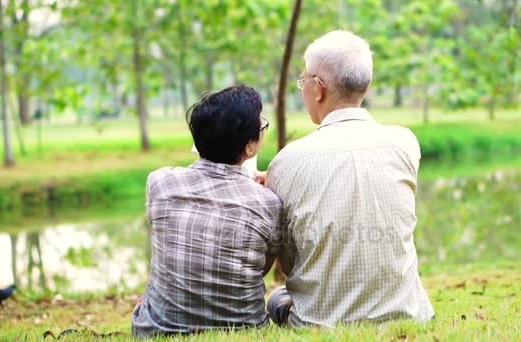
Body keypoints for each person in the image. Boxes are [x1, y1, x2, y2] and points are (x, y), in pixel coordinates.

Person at [264, 30, 435, 327]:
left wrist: (277, 180)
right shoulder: (405, 143)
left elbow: (289, 260)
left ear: (318, 88)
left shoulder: (287, 161)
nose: (303, 89)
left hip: (318, 322)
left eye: (304, 81)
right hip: (406, 314)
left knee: (277, 298)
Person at [132, 85, 281, 338]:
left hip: (157, 330)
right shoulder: (268, 202)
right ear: (249, 148)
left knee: (147, 296)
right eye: (261, 126)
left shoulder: (160, 183)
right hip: (246, 329)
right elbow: (261, 269)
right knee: (277, 298)